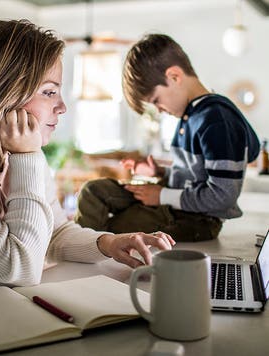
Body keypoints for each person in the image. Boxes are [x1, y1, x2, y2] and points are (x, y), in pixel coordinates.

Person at [0, 20, 175, 298]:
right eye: (49, 92)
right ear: (3, 93)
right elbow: (17, 268)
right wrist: (28, 157)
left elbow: (55, 232)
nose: (62, 107)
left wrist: (108, 243)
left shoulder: (12, 152)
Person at [74, 34, 260, 242]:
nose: (160, 110)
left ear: (174, 76)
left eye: (156, 101)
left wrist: (161, 195)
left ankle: (92, 256)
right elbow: (194, 174)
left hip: (197, 218)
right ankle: (85, 246)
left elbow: (223, 197)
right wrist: (160, 171)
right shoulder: (190, 115)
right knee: (93, 192)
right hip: (172, 198)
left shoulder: (218, 120)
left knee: (115, 228)